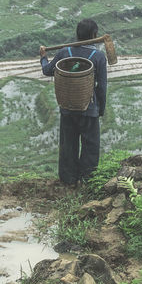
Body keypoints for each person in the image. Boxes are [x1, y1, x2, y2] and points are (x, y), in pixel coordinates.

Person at [40, 18, 108, 187]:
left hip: (68, 108)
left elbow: (47, 70)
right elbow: (102, 87)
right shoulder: (98, 57)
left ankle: (68, 181)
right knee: (90, 147)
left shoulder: (65, 52)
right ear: (94, 35)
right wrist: (100, 109)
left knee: (68, 146)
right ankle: (87, 181)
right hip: (89, 109)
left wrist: (43, 57)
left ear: (77, 35)